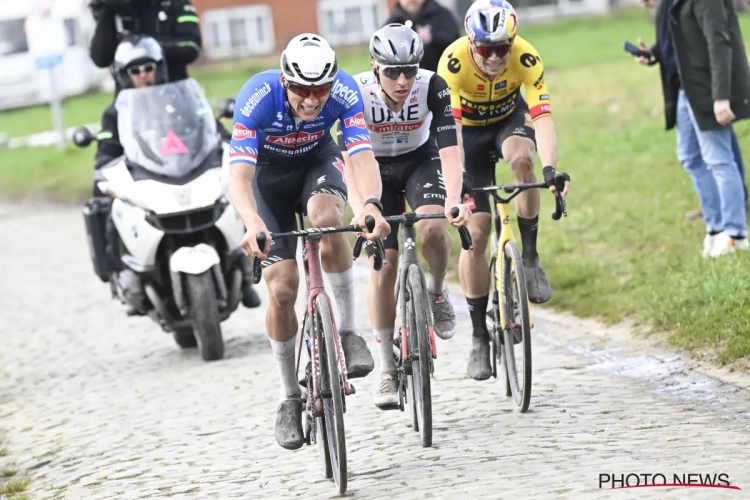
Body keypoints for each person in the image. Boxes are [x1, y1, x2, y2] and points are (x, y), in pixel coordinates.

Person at [228, 33, 390, 450]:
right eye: (302, 90)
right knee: (282, 287)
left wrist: (370, 205)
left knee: (329, 219)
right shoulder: (257, 96)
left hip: (317, 164)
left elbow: (361, 156)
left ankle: (350, 332)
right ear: (285, 80)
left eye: (321, 90)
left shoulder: (345, 92)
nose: (313, 100)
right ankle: (288, 397)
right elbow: (240, 178)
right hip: (267, 180)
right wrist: (250, 223)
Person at [335, 24, 471, 409]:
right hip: (370, 166)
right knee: (384, 264)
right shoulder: (354, 91)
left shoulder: (433, 86)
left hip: (419, 161)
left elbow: (449, 150)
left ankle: (437, 289)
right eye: (392, 71)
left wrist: (455, 198)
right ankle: (387, 370)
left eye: (409, 70)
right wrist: (365, 207)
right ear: (374, 67)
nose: (402, 80)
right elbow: (349, 160)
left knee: (432, 227)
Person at [437, 0, 569, 381]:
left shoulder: (526, 57)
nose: (495, 57)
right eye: (486, 49)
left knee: (523, 162)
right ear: (470, 42)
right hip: (469, 137)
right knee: (476, 235)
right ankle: (479, 336)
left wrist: (550, 168)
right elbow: (454, 134)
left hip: (509, 121)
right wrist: (458, 181)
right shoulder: (454, 62)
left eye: (502, 48)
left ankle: (529, 258)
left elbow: (543, 118)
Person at [631, 0, 750, 257]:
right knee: (691, 157)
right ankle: (717, 227)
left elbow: (719, 43)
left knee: (718, 159)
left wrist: (721, 97)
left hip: (707, 89)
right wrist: (655, 53)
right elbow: (681, 40)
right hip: (686, 88)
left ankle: (736, 233)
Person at [88, 0, 201, 93]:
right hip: (130, 103)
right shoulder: (114, 9)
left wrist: (148, 48)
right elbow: (100, 58)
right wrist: (106, 12)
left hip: (174, 93)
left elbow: (191, 47)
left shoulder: (175, 4)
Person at [383, 0, 461, 73]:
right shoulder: (392, 23)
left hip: (440, 75)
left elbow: (456, 43)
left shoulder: (441, 15)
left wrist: (433, 39)